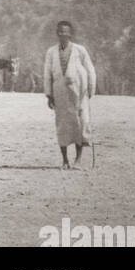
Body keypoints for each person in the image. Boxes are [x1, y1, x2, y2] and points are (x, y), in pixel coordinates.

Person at [43, 20, 97, 169]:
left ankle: (78, 160)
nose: (62, 35)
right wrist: (49, 95)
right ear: (57, 33)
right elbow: (47, 74)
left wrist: (91, 89)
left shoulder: (80, 50)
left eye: (65, 32)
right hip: (60, 93)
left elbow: (90, 70)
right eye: (59, 32)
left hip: (79, 93)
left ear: (70, 34)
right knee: (62, 126)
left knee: (80, 124)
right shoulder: (51, 52)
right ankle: (65, 160)